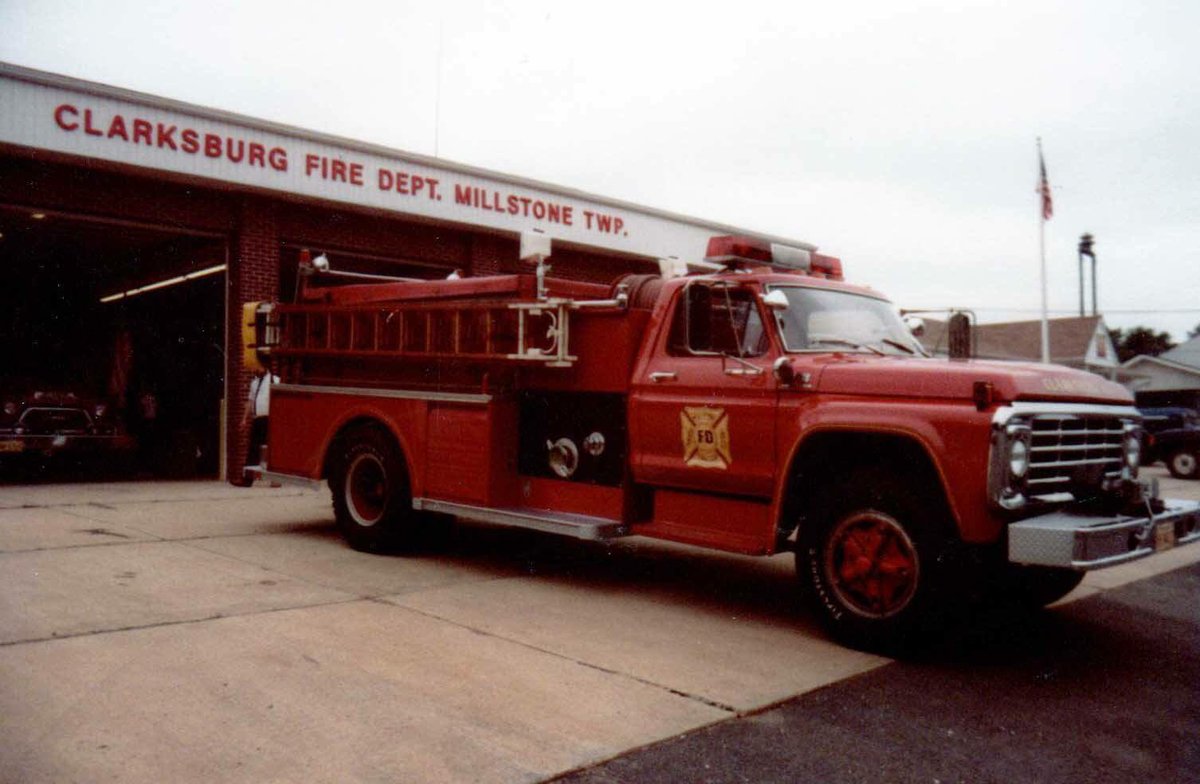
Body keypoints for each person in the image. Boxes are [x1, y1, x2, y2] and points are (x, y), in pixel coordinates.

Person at [239, 369, 279, 486]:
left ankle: (275, 479)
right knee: (253, 449)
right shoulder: (254, 383)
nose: (257, 369)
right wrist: (244, 419)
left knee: (271, 449)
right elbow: (250, 401)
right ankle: (247, 479)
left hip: (269, 418)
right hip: (257, 419)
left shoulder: (275, 380)